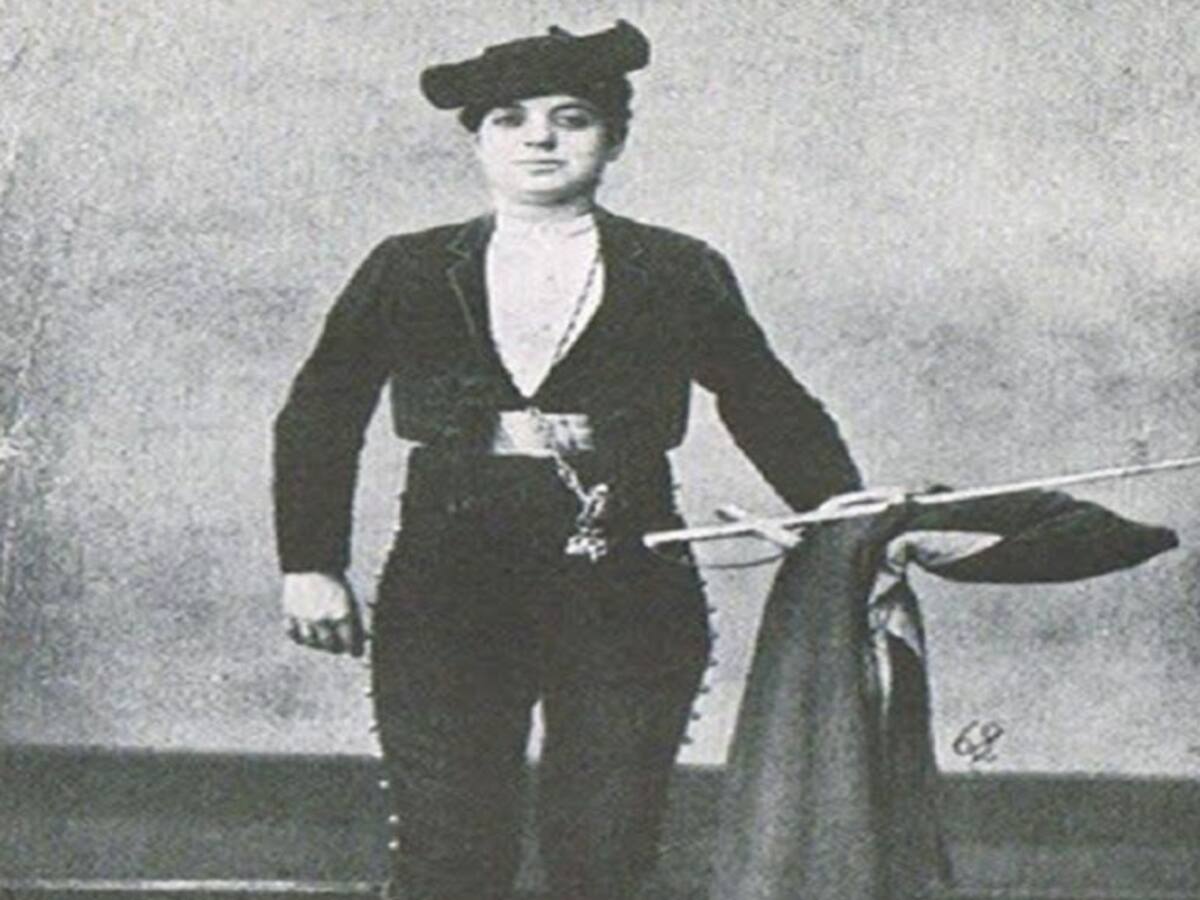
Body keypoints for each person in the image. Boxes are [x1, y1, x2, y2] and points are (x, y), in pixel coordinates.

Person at [272, 20, 864, 900]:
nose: (540, 138)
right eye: (509, 118)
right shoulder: (408, 268)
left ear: (614, 138)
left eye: (572, 117)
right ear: (477, 140)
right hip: (448, 578)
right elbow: (321, 414)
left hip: (628, 577)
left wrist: (846, 513)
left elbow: (763, 399)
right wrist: (310, 563)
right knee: (449, 851)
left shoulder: (676, 268)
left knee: (605, 851)